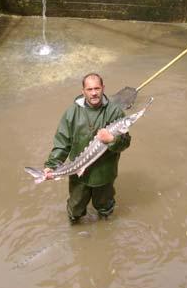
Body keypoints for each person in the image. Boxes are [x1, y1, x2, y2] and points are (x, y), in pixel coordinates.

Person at [43, 73, 131, 224]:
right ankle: (74, 228)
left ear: (103, 88)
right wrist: (51, 165)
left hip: (105, 172)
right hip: (79, 174)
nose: (94, 93)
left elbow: (125, 143)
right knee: (75, 208)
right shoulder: (72, 113)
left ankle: (105, 230)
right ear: (83, 91)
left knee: (105, 206)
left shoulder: (114, 112)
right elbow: (62, 142)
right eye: (89, 89)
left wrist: (112, 139)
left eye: (97, 88)